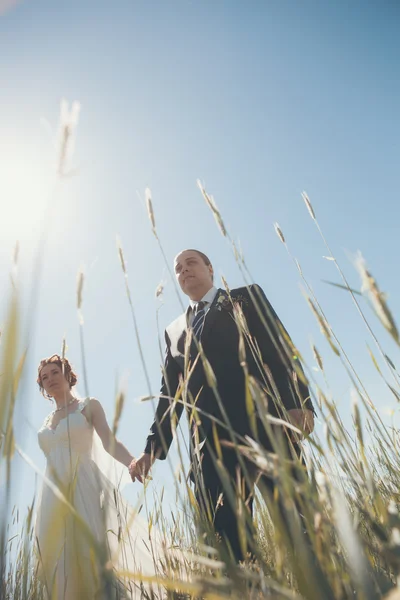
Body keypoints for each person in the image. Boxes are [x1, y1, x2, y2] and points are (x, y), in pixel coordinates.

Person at [129, 249, 315, 563]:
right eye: (178, 268)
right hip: (209, 444)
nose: (184, 270)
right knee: (229, 543)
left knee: (297, 521)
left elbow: (282, 351)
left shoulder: (245, 298)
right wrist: (152, 449)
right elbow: (170, 396)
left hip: (267, 423)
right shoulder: (172, 331)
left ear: (210, 269)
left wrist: (298, 403)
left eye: (191, 262)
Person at [35, 354, 159, 600]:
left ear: (68, 375)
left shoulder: (88, 406)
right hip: (52, 495)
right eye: (44, 377)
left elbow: (109, 441)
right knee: (59, 556)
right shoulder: (46, 421)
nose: (50, 379)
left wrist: (132, 462)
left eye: (55, 373)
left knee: (88, 550)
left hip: (83, 486)